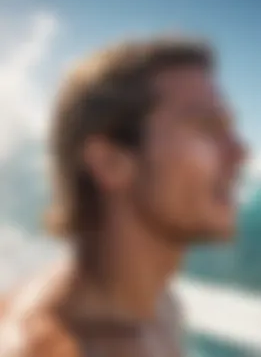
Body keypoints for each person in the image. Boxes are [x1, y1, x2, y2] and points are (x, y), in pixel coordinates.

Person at [0, 35, 247, 356]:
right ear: (110, 162)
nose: (241, 152)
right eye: (206, 128)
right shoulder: (66, 347)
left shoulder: (158, 304)